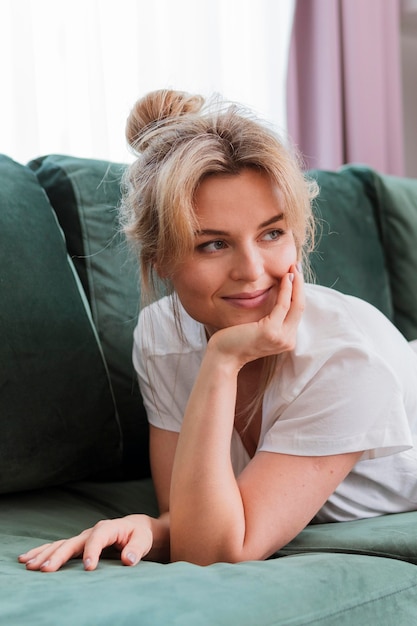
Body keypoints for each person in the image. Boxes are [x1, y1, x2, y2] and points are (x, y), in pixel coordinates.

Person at [19, 89, 417, 572]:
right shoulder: (162, 333)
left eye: (272, 233)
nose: (252, 271)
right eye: (213, 245)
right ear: (162, 257)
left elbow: (218, 551)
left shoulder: (346, 360)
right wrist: (149, 526)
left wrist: (223, 360)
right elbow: (190, 519)